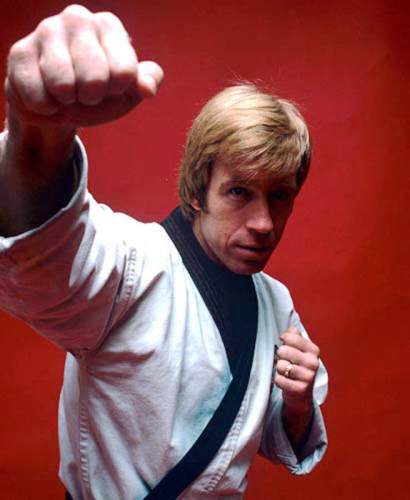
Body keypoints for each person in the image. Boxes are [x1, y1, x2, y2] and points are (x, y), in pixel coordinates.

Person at [0, 4, 328, 500]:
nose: (263, 223)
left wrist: (298, 402)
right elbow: (47, 261)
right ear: (198, 189)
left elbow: (275, 435)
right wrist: (39, 138)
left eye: (279, 197)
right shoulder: (134, 264)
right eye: (239, 192)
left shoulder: (276, 304)